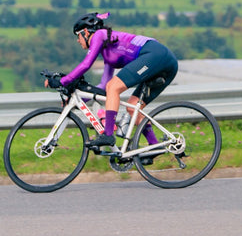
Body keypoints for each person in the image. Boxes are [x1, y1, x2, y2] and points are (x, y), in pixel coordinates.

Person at [45, 12, 178, 148]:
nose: (78, 40)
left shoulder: (99, 34)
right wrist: (78, 101)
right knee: (132, 107)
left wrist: (62, 81)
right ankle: (155, 147)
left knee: (114, 86)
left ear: (85, 32)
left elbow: (86, 65)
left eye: (77, 36)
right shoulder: (108, 52)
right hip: (164, 61)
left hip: (155, 55)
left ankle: (108, 134)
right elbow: (103, 87)